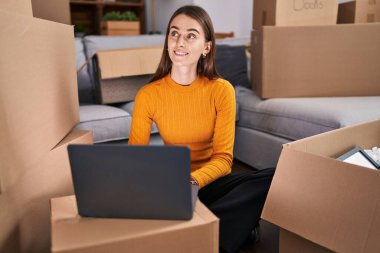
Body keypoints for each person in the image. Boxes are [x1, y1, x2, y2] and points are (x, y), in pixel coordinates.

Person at [128, 5, 275, 253]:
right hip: (172, 186)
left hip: (211, 183)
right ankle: (227, 228)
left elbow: (224, 160)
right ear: (167, 41)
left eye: (191, 35)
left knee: (273, 178)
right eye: (174, 33)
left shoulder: (221, 90)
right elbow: (136, 158)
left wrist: (192, 180)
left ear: (206, 47)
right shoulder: (148, 95)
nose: (180, 41)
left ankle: (203, 235)